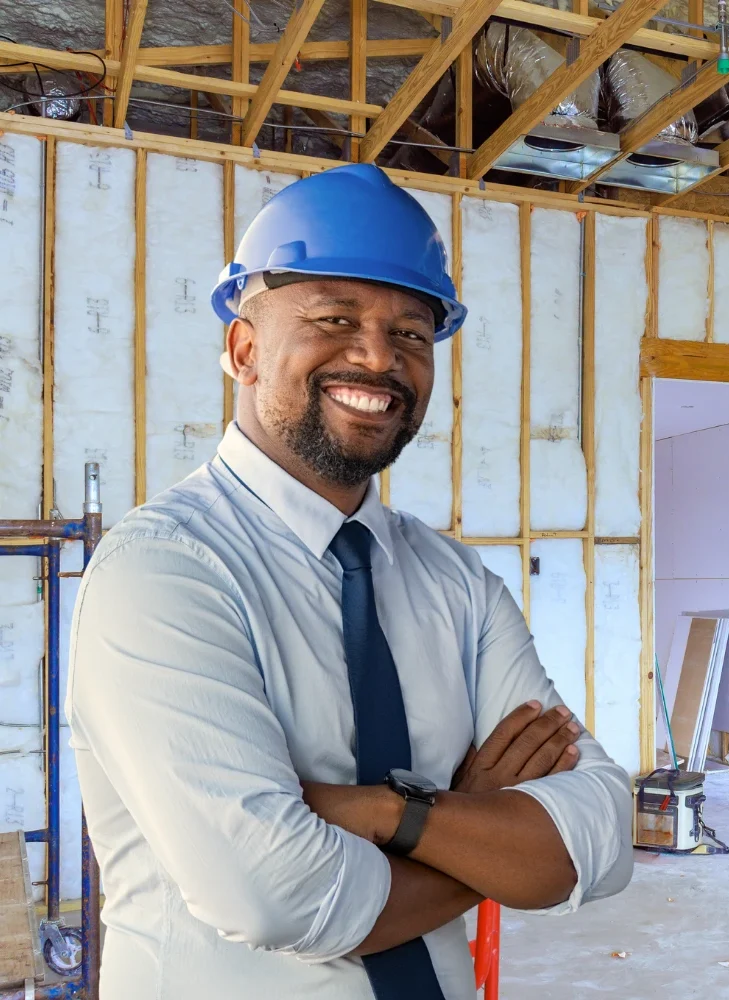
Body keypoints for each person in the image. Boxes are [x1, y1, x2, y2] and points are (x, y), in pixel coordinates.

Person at [66, 164, 633, 1000]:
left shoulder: (456, 583)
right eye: (334, 318)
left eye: (412, 331)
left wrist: (386, 813)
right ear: (245, 348)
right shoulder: (163, 572)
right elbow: (278, 896)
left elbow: (602, 834)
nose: (378, 357)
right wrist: (477, 828)